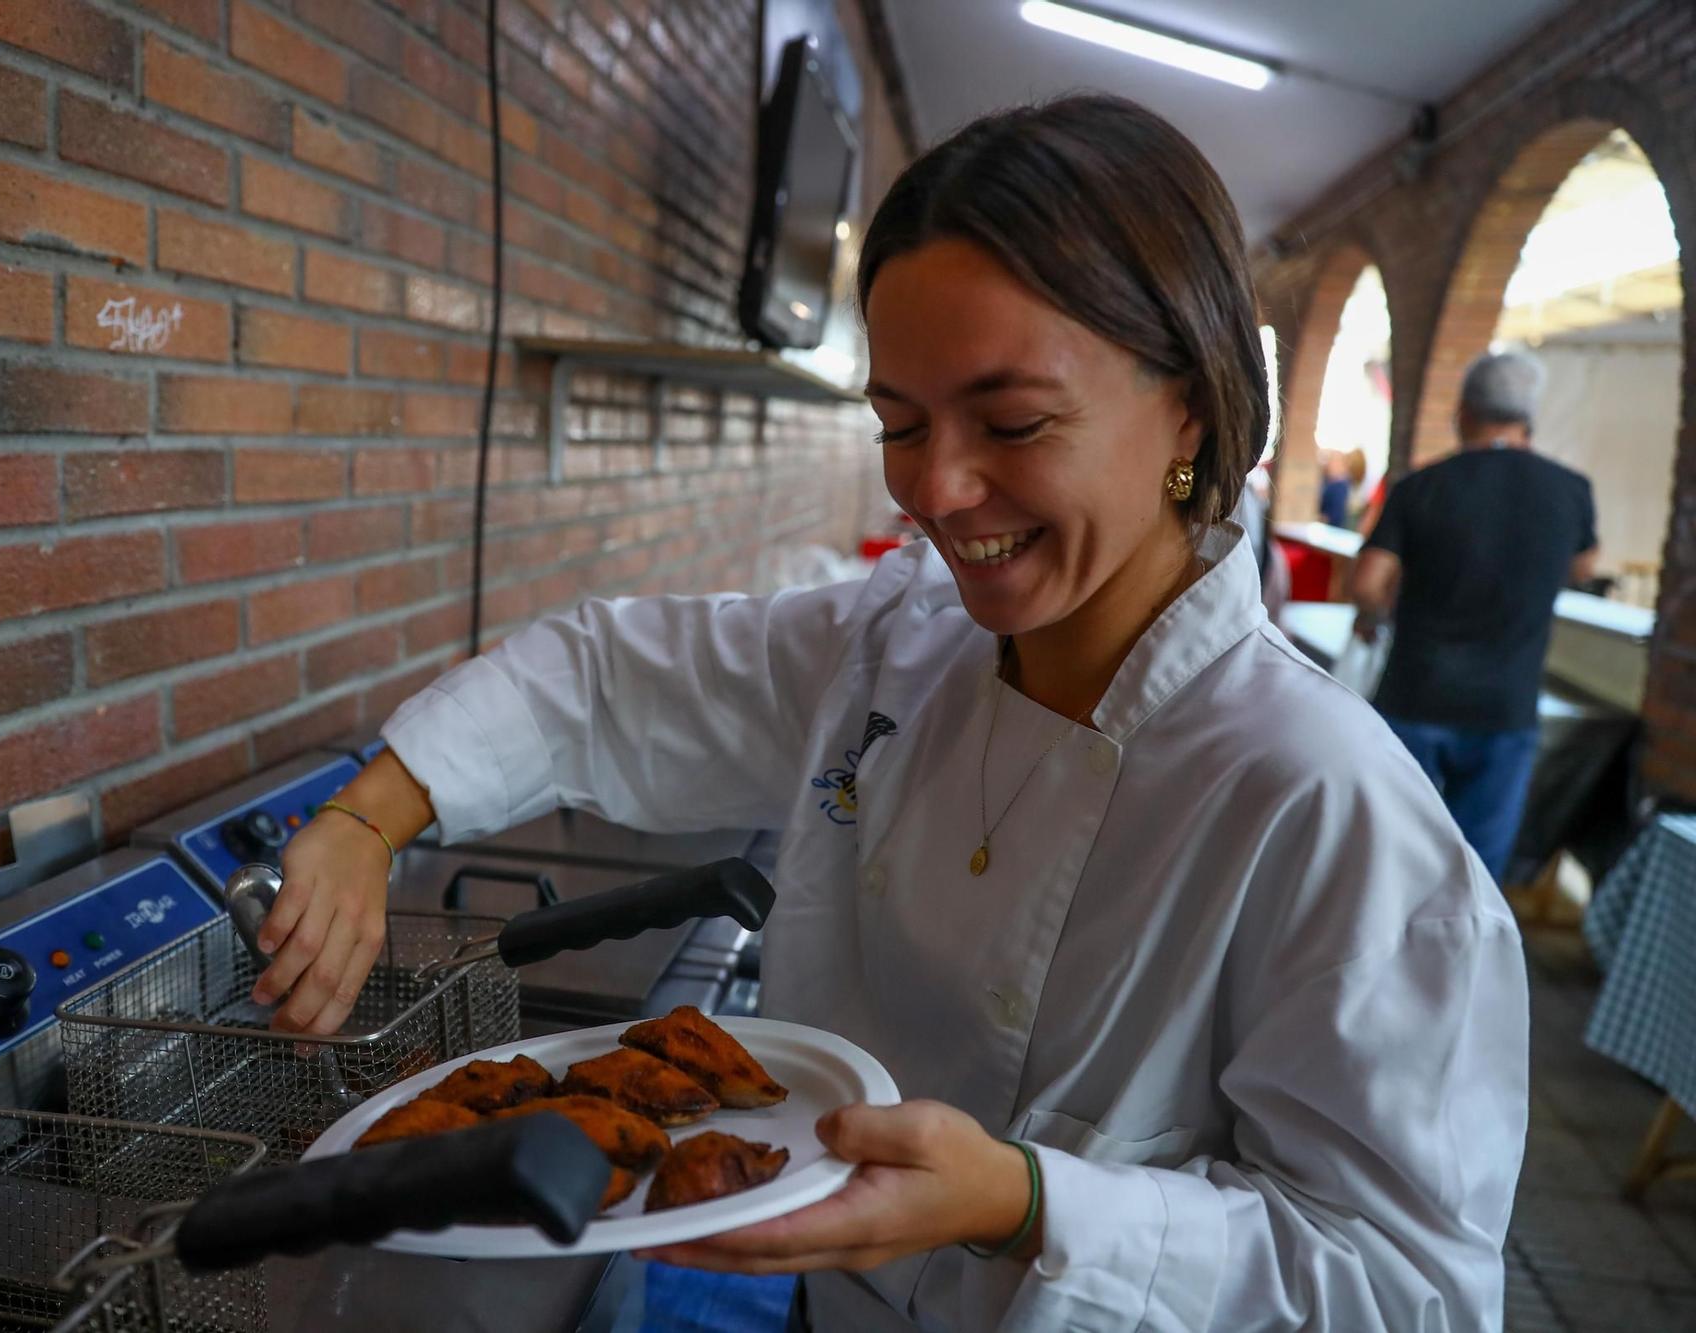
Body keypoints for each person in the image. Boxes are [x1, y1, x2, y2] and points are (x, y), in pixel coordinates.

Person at [263, 98, 1526, 1331]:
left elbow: (1398, 1284)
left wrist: (1026, 1205)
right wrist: (369, 819)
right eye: (898, 424)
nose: (938, 486)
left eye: (1012, 421)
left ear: (1187, 404)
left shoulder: (1321, 803)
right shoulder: (898, 644)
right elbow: (604, 678)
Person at [1353, 351, 1598, 884]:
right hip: (1505, 707)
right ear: (1528, 418)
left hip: (1414, 695)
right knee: (1475, 873)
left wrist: (1377, 614)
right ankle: (1456, 963)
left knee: (1389, 855)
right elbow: (1583, 566)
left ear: (1463, 412)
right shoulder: (1571, 491)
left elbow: (1368, 583)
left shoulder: (1421, 487)